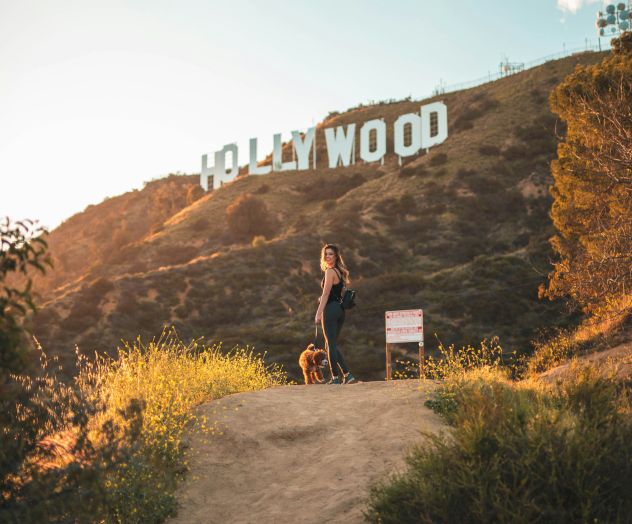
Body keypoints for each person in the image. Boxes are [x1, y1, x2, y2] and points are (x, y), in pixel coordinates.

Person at [314, 244, 357, 385]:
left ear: (336, 256)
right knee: (331, 344)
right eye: (326, 254)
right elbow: (334, 293)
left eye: (330, 254)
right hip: (340, 310)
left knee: (330, 344)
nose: (327, 256)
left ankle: (335, 378)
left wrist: (318, 313)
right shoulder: (340, 271)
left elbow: (326, 294)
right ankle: (347, 375)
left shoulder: (330, 271)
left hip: (331, 310)